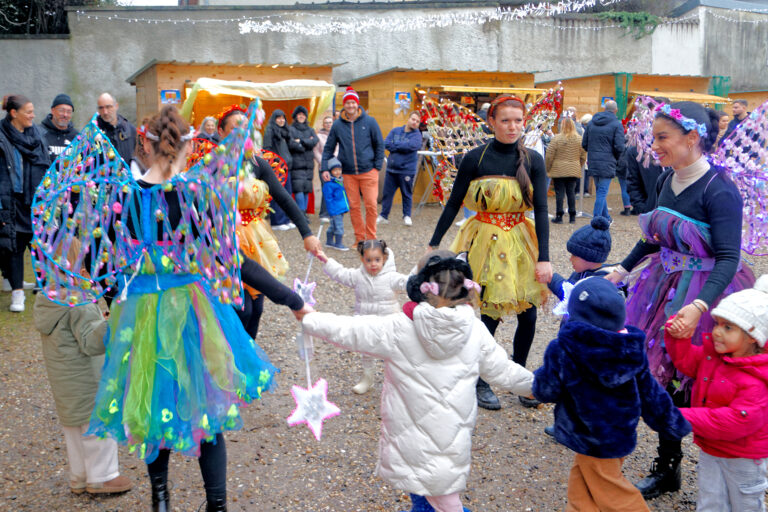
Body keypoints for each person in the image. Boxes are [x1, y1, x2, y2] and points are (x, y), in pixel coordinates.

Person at [80, 105, 295, 512]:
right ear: (188, 147)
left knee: (150, 407)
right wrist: (292, 299)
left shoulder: (119, 198)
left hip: (139, 315)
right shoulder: (193, 197)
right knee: (207, 409)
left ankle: (160, 502)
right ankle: (217, 507)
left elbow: (95, 263)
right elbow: (235, 261)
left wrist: (120, 298)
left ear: (142, 143)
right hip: (195, 314)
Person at [302, 250, 534, 512]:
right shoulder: (476, 330)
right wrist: (536, 387)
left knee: (438, 499)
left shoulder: (398, 327)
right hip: (451, 438)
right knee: (438, 491)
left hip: (409, 439)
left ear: (421, 287)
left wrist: (309, 318)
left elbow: (351, 330)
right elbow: (503, 370)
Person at [605, 101, 756, 499]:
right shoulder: (666, 180)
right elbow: (653, 235)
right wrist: (622, 268)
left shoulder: (719, 188)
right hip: (662, 286)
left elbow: (728, 257)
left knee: (698, 379)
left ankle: (729, 464)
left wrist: (700, 306)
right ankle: (669, 467)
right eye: (653, 137)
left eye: (662, 138)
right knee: (661, 373)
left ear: (692, 138)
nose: (654, 146)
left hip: (708, 293)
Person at [426, 95, 552, 411]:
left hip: (521, 240)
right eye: (506, 120)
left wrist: (545, 257)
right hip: (485, 241)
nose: (512, 127)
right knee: (489, 313)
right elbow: (454, 202)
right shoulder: (475, 158)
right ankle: (480, 379)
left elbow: (541, 207)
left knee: (529, 311)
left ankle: (521, 377)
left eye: (518, 121)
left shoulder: (534, 160)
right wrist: (434, 243)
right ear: (491, 122)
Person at [533, 277, 691, 512]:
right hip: (619, 436)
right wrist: (672, 422)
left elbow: (546, 390)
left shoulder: (566, 348)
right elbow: (651, 394)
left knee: (612, 492)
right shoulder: (630, 349)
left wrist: (538, 381)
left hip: (588, 436)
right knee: (582, 486)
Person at [33, 240, 132, 496]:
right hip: (88, 382)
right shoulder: (77, 302)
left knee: (74, 431)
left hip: (65, 386)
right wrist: (112, 323)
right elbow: (90, 342)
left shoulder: (47, 299)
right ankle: (103, 477)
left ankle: (79, 477)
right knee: (98, 431)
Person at [664, 276, 768, 511]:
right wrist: (677, 336)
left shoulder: (757, 379)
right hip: (712, 448)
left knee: (746, 504)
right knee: (711, 501)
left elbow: (734, 422)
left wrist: (680, 415)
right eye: (718, 323)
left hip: (744, 457)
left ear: (753, 336)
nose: (718, 332)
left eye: (728, 327)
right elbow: (687, 362)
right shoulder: (715, 356)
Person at [217, 106, 321, 339]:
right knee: (240, 308)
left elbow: (283, 198)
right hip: (225, 239)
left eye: (245, 129)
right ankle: (231, 355)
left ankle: (248, 357)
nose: (241, 134)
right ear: (222, 132)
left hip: (256, 238)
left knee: (257, 306)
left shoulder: (257, 163)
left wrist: (307, 233)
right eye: (234, 129)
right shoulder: (211, 167)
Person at [315, 239, 408, 394]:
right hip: (365, 322)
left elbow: (408, 282)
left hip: (388, 323)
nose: (373, 264)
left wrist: (423, 281)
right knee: (366, 350)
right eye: (368, 260)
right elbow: (341, 273)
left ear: (384, 258)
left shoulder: (392, 277)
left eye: (377, 260)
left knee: (391, 351)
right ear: (362, 259)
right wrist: (325, 259)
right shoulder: (358, 276)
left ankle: (394, 380)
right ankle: (367, 378)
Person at [0, 94, 50, 312]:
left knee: (39, 245)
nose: (33, 115)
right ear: (14, 113)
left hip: (35, 199)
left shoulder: (37, 134)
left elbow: (46, 165)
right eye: (28, 112)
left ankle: (45, 287)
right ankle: (17, 294)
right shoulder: (2, 137)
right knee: (14, 247)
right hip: (11, 200)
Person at [320, 86, 385, 244]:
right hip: (348, 173)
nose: (350, 105)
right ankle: (359, 239)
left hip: (369, 171)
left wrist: (377, 166)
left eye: (353, 102)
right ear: (344, 105)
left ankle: (371, 238)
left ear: (357, 104)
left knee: (371, 205)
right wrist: (324, 168)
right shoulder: (337, 125)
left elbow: (379, 144)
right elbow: (328, 148)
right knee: (354, 207)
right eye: (347, 103)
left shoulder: (369, 122)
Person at [581, 100, 625, 221]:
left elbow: (584, 143)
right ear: (616, 111)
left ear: (604, 109)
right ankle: (596, 218)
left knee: (601, 190)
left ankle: (606, 217)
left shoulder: (591, 123)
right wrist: (616, 158)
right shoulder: (617, 124)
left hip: (593, 161)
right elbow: (620, 146)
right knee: (602, 192)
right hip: (608, 161)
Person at [378, 111, 423, 227]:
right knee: (387, 194)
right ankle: (384, 215)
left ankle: (407, 216)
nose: (415, 122)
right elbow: (386, 143)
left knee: (406, 194)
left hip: (407, 170)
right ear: (408, 119)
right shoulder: (395, 131)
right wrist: (401, 146)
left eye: (417, 121)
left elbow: (414, 146)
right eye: (413, 119)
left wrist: (396, 145)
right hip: (391, 169)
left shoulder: (417, 135)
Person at [545, 117, 586, 224]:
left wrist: (548, 168)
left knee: (560, 193)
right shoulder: (579, 139)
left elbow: (549, 155)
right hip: (573, 169)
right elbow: (583, 155)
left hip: (558, 169)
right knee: (571, 192)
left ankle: (559, 215)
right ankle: (572, 216)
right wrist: (578, 165)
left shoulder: (556, 139)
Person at [263, 109, 295, 230]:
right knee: (278, 195)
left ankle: (286, 219)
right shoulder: (270, 131)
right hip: (277, 168)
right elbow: (267, 149)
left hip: (286, 167)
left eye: (283, 118)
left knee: (287, 194)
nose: (281, 120)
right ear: (274, 119)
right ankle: (277, 221)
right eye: (279, 118)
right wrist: (273, 165)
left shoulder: (285, 132)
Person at [288, 106, 319, 216]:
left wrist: (301, 141)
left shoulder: (310, 129)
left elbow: (315, 141)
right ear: (296, 116)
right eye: (299, 115)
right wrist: (306, 143)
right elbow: (291, 144)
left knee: (306, 189)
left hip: (309, 164)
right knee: (298, 189)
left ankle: (304, 212)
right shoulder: (291, 129)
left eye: (303, 115)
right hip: (297, 164)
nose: (301, 116)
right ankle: (301, 213)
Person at [96, 93, 136, 163]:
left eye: (108, 107)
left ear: (116, 106)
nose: (105, 112)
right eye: (101, 108)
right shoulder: (94, 132)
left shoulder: (129, 129)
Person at [624, 145, 663, 215]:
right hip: (652, 212)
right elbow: (633, 183)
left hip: (680, 215)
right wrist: (642, 207)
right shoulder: (635, 151)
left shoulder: (679, 146)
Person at [40, 93, 78, 161]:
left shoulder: (76, 137)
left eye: (69, 112)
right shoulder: (39, 133)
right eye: (61, 110)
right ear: (53, 110)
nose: (65, 115)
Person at [322, 157, 349, 250]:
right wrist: (331, 210)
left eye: (339, 170)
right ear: (330, 171)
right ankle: (338, 243)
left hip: (340, 208)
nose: (338, 172)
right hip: (335, 209)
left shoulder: (339, 181)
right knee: (339, 226)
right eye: (335, 170)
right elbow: (328, 199)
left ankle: (329, 241)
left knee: (333, 225)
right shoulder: (329, 184)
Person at [314, 114, 335, 222]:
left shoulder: (336, 134)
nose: (328, 124)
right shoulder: (319, 136)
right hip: (324, 166)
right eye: (326, 122)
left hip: (335, 167)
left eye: (330, 122)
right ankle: (324, 213)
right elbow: (316, 151)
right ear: (323, 124)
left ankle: (333, 212)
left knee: (334, 190)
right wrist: (323, 162)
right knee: (326, 189)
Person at [579, 113, 594, 197]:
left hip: (585, 152)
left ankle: (584, 190)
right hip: (585, 152)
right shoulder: (583, 130)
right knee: (584, 171)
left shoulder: (583, 128)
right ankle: (584, 190)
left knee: (585, 170)